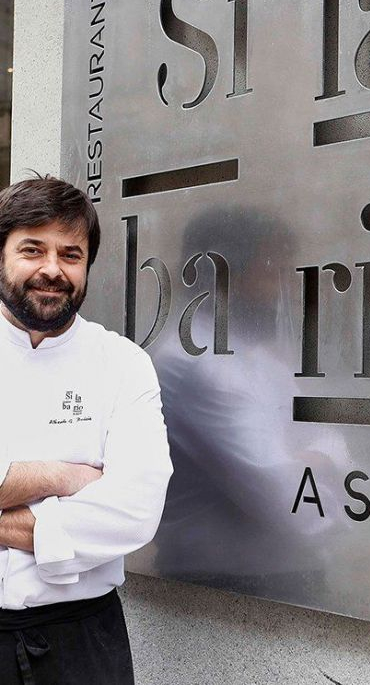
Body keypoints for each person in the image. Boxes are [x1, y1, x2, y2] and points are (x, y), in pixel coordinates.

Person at [0, 175, 173, 684]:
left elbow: (135, 511)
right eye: (33, 249)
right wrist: (64, 476)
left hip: (82, 645)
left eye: (70, 255)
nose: (52, 270)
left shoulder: (123, 363)